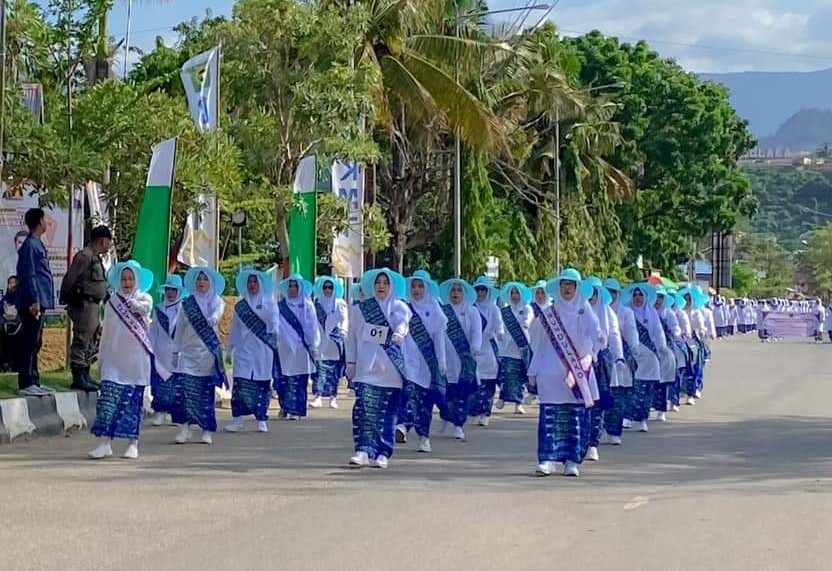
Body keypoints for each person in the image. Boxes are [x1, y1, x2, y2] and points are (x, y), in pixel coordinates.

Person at [528, 268, 600, 477]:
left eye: (571, 284)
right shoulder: (548, 314)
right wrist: (533, 369)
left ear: (577, 288)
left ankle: (571, 460)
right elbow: (537, 342)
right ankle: (547, 459)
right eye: (563, 284)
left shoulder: (584, 310)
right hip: (550, 374)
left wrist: (596, 344)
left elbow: (596, 332)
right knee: (550, 417)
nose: (567, 288)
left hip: (576, 374)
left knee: (573, 418)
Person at [88, 260, 160, 460]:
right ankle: (104, 443)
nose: (127, 282)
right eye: (124, 279)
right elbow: (107, 331)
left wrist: (132, 303)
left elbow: (144, 310)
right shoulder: (112, 302)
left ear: (136, 280)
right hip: (113, 359)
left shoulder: (145, 298)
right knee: (107, 401)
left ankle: (132, 443)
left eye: (130, 279)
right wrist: (101, 355)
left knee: (131, 403)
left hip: (136, 361)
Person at [346, 268, 410, 468]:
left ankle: (383, 452)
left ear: (391, 286)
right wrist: (351, 363)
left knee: (386, 413)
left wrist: (399, 333)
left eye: (385, 283)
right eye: (378, 283)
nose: (381, 286)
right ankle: (363, 450)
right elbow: (351, 338)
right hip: (366, 370)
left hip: (391, 371)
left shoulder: (400, 307)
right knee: (364, 410)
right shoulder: (360, 309)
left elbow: (403, 324)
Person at [171, 267, 227, 445]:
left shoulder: (217, 301)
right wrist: (175, 350)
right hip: (187, 354)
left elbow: (217, 314)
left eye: (205, 279)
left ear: (211, 283)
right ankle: (185, 428)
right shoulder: (186, 304)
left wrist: (213, 319)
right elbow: (179, 328)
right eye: (199, 279)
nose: (201, 282)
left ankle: (206, 429)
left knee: (205, 393)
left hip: (207, 355)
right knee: (186, 391)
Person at [396, 272, 447, 453]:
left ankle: (424, 437)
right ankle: (402, 426)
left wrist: (441, 362)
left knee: (425, 403)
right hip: (408, 361)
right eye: (413, 286)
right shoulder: (404, 307)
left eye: (420, 286)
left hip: (427, 364)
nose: (416, 290)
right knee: (408, 394)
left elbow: (439, 338)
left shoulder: (434, 309)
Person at [225, 269, 279, 433]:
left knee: (262, 384)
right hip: (243, 350)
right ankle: (237, 419)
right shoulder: (240, 306)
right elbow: (234, 328)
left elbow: (275, 322)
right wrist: (229, 349)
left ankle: (261, 419)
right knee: (240, 383)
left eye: (255, 282)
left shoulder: (270, 302)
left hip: (263, 349)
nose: (252, 285)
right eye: (249, 282)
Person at [60, 225, 113, 392]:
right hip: (84, 304)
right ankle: (78, 377)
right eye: (109, 241)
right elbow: (70, 277)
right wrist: (67, 298)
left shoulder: (96, 258)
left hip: (94, 305)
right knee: (82, 339)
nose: (109, 245)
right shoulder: (85, 256)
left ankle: (85, 373)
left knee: (91, 340)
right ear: (103, 240)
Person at [15, 208, 55, 396]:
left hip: (41, 299)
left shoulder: (37, 244)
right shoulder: (30, 246)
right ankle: (26, 382)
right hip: (33, 301)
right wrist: (34, 300)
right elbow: (29, 274)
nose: (47, 222)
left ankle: (35, 380)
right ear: (40, 222)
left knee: (36, 341)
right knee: (29, 341)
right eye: (45, 219)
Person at [583, 276, 622, 462]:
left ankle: (592, 444)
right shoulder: (577, 311)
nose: (591, 297)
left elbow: (614, 337)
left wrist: (619, 358)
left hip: (601, 366)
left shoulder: (608, 314)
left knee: (597, 406)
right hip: (578, 364)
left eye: (594, 293)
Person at [438, 278, 481, 441]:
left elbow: (477, 332)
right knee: (446, 393)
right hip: (446, 357)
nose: (456, 293)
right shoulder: (443, 311)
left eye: (459, 290)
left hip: (465, 357)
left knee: (462, 393)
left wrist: (476, 346)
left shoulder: (472, 311)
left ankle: (458, 425)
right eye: (453, 290)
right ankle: (447, 417)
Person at [621, 283, 667, 433]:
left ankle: (642, 419)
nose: (638, 298)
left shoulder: (651, 312)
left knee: (645, 389)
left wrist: (662, 347)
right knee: (630, 387)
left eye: (640, 295)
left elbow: (658, 331)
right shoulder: (625, 311)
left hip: (648, 355)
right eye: (635, 295)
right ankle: (627, 416)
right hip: (630, 353)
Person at [274, 274, 320, 420]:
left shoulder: (308, 305)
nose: (292, 289)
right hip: (283, 349)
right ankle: (285, 408)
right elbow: (276, 326)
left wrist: (313, 345)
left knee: (299, 381)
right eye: (290, 286)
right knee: (282, 380)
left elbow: (312, 326)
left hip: (302, 349)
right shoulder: (280, 306)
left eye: (295, 286)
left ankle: (297, 410)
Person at [148, 275, 187, 426]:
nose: (170, 293)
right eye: (168, 289)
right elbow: (153, 332)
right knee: (160, 384)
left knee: (177, 386)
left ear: (179, 292)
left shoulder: (185, 309)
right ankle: (159, 412)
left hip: (179, 353)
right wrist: (150, 350)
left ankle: (176, 414)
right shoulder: (158, 309)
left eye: (174, 290)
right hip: (161, 353)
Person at [604, 278, 639, 444]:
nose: (610, 296)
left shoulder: (626, 312)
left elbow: (631, 334)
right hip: (601, 359)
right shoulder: (596, 310)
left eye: (613, 292)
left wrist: (634, 350)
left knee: (618, 395)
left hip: (621, 358)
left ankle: (614, 431)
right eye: (607, 292)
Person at [469, 275, 503, 427]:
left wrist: (499, 333)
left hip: (489, 349)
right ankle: (475, 411)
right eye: (478, 289)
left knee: (488, 384)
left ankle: (486, 413)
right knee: (476, 384)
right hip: (474, 349)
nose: (481, 292)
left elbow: (499, 324)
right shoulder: (471, 308)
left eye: (483, 289)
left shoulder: (494, 309)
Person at [311, 276, 348, 409]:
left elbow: (344, 319)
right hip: (321, 341)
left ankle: (333, 397)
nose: (327, 290)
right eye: (325, 287)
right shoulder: (317, 303)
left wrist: (343, 331)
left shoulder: (339, 303)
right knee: (320, 370)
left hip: (335, 341)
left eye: (330, 287)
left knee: (334, 372)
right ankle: (318, 396)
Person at [496, 281, 533, 415]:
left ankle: (518, 403)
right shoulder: (505, 310)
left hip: (521, 347)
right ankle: (502, 398)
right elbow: (500, 325)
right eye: (512, 293)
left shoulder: (527, 308)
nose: (514, 295)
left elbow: (527, 321)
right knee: (506, 374)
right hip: (507, 348)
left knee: (520, 377)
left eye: (516, 292)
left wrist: (524, 324)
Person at [653, 288, 681, 422]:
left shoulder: (668, 313)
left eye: (660, 297)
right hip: (649, 348)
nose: (658, 300)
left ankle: (662, 409)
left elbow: (676, 327)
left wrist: (675, 332)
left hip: (666, 347)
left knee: (664, 380)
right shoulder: (647, 312)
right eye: (656, 297)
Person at [1, 276, 21, 371]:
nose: (11, 286)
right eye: (10, 283)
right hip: (5, 327)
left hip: (19, 326)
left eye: (14, 283)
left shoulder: (21, 298)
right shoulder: (5, 298)